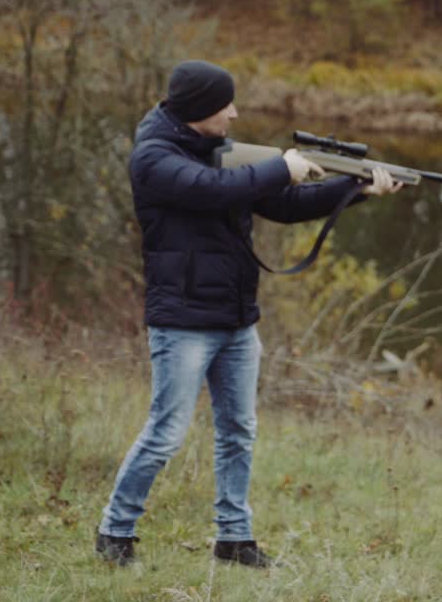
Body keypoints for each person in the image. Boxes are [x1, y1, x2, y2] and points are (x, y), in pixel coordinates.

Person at [95, 60, 401, 568]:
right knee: (166, 433)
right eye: (225, 105)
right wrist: (282, 166)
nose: (234, 113)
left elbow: (284, 204)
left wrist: (356, 190)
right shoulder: (154, 157)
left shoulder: (220, 152)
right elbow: (211, 190)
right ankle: (115, 530)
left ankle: (234, 540)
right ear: (198, 109)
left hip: (236, 318)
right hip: (184, 320)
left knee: (238, 432)